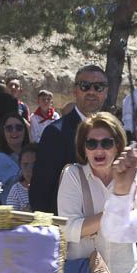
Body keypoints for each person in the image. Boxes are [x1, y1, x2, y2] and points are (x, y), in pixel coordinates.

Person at [57, 113, 137, 273]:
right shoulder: (73, 175)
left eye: (106, 143)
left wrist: (94, 222)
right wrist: (117, 210)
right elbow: (69, 229)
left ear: (117, 146)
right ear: (83, 148)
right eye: (92, 143)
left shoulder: (133, 175)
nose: (99, 149)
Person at [30, 64, 108, 213]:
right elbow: (41, 191)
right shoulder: (55, 133)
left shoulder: (115, 132)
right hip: (67, 227)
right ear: (75, 90)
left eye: (98, 86)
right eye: (85, 86)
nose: (92, 91)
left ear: (106, 92)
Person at [0, 113, 29, 190]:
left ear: (25, 131)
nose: (14, 131)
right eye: (9, 128)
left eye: (19, 128)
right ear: (3, 133)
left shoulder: (34, 156)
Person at [5, 145, 37, 211]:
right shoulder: (16, 190)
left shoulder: (51, 188)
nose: (30, 169)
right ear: (20, 166)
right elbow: (10, 218)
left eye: (35, 164)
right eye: (25, 164)